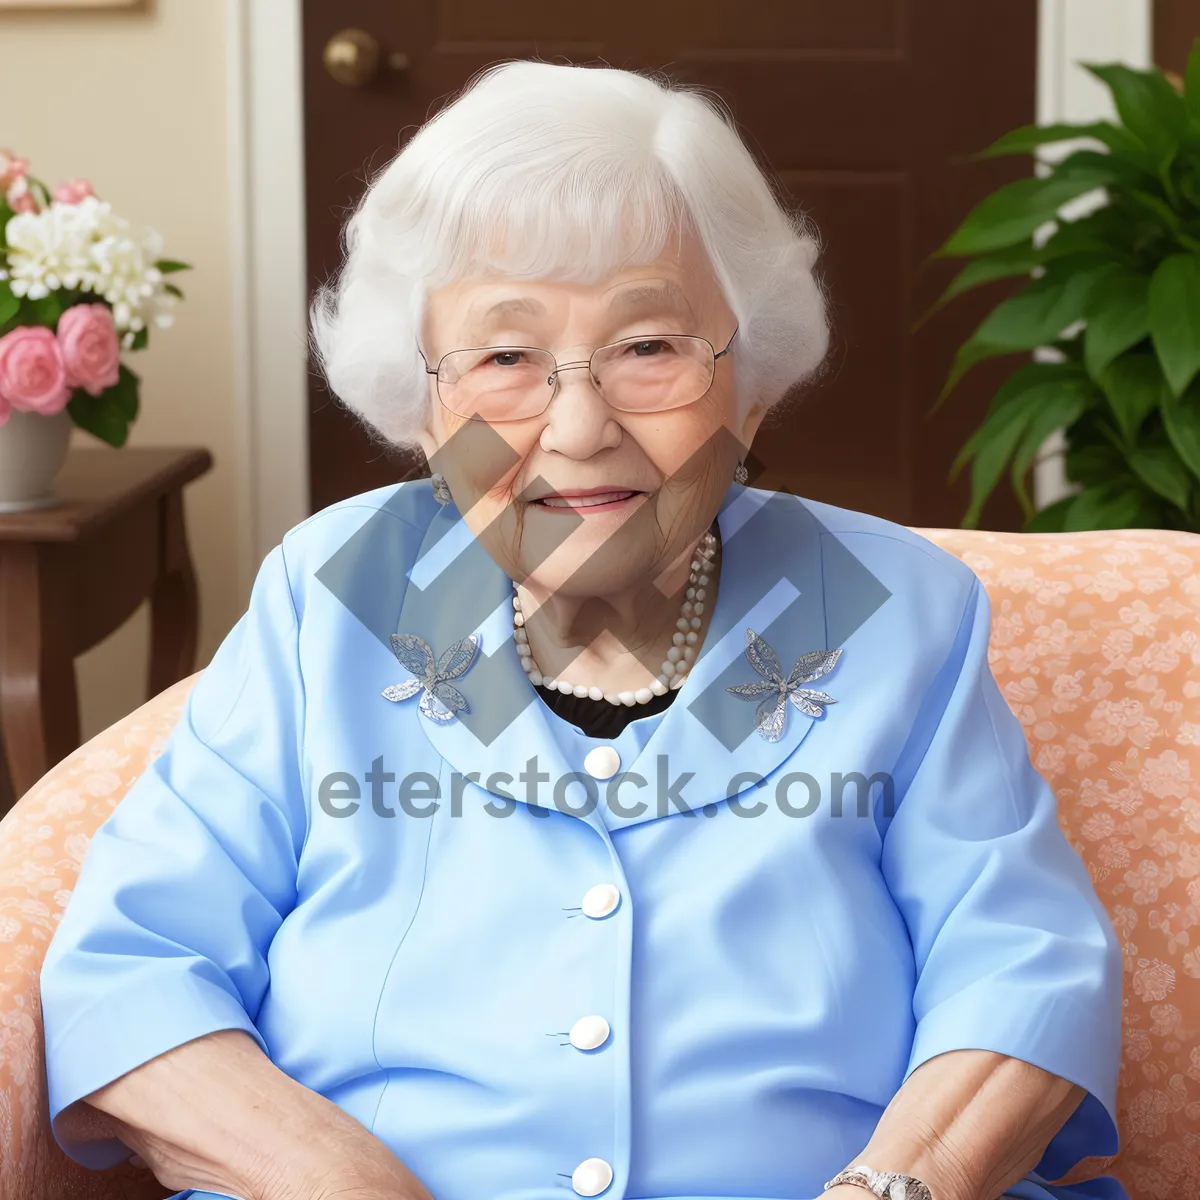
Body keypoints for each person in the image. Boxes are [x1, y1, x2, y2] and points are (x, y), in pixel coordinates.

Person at [39, 60, 1124, 1200]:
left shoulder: (894, 608)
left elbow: (1027, 963)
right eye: (505, 359)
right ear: (421, 410)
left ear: (751, 388)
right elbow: (131, 967)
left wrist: (903, 1184)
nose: (579, 424)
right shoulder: (333, 596)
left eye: (647, 347)